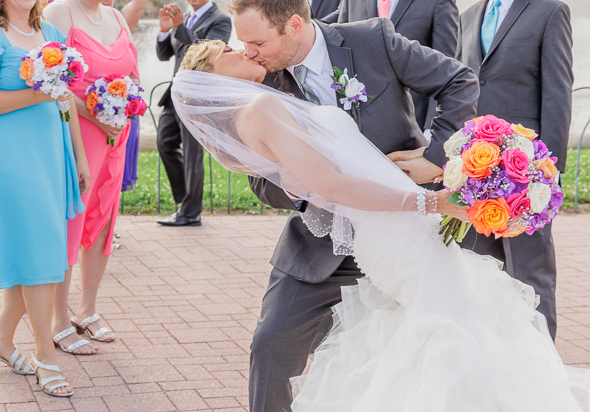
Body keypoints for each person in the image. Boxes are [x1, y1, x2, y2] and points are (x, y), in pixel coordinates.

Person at [173, 38, 590, 412]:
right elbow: (327, 186)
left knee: (445, 327)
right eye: (227, 51)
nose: (243, 48)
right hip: (384, 228)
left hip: (399, 224)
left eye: (248, 41)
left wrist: (428, 164)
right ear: (210, 79)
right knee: (447, 330)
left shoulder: (284, 88)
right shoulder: (261, 108)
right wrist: (430, 202)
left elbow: (352, 159)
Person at [221, 0, 479, 412]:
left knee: (428, 348)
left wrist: (435, 157)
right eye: (243, 43)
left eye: (258, 43)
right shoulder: (262, 83)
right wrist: (310, 191)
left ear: (295, 26)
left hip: (404, 232)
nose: (249, 53)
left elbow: (458, 81)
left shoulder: (373, 40)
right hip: (321, 243)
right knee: (270, 346)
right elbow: (261, 183)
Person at [0, 0, 89, 398]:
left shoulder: (51, 31)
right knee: (41, 253)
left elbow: (65, 101)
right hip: (10, 157)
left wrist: (79, 156)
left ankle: (0, 339)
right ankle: (45, 357)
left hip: (50, 152)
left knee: (35, 252)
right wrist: (36, 93)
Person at [456, 0, 573, 340]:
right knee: (478, 278)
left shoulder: (550, 12)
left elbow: (557, 99)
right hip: (477, 180)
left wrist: (546, 179)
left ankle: (543, 383)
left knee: (530, 278)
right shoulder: (468, 18)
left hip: (526, 180)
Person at [43, 0, 140, 355]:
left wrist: (126, 108)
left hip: (114, 135)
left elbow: (131, 73)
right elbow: (53, 82)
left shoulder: (116, 16)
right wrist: (95, 115)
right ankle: (58, 317)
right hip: (74, 135)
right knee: (70, 223)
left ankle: (88, 308)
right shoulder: (58, 13)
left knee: (102, 223)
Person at [335, 0, 459, 138]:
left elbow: (446, 70)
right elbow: (339, 61)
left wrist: (433, 129)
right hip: (356, 128)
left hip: (414, 130)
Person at [155, 0, 232, 227]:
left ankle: (191, 213)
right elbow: (165, 55)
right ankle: (185, 201)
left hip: (198, 97)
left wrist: (179, 27)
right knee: (164, 143)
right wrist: (165, 31)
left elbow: (206, 53)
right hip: (174, 95)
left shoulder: (221, 20)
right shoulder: (185, 17)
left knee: (192, 154)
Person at [102, 0, 150, 200]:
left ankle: (110, 230)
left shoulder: (120, 21)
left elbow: (138, 3)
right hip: (96, 108)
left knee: (117, 172)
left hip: (124, 108)